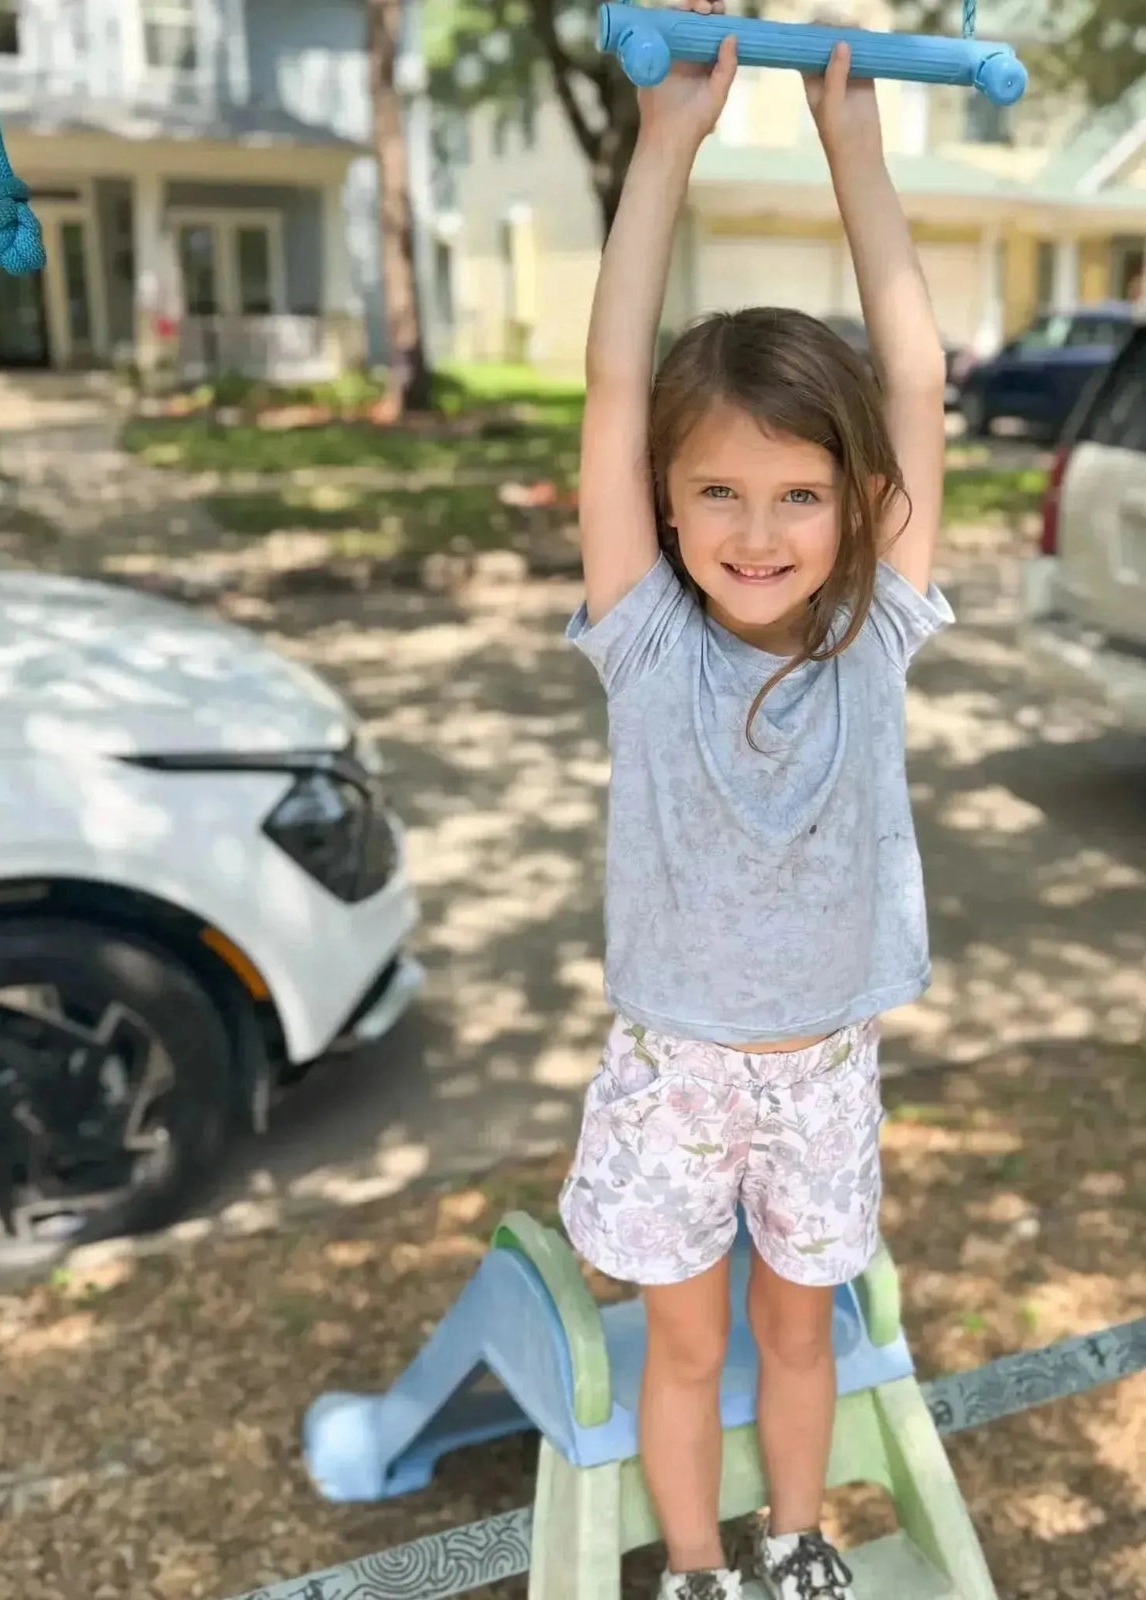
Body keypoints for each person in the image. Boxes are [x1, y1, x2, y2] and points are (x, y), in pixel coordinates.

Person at [557, 4, 952, 1598]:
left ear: (857, 508)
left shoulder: (877, 633)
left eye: (798, 494)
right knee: (681, 1343)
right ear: (662, 497)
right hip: (675, 1072)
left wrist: (857, 148)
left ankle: (797, 1548)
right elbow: (605, 385)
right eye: (717, 487)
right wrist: (667, 146)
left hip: (825, 1071)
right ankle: (704, 1571)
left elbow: (913, 377)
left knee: (803, 1334)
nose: (758, 525)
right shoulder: (645, 637)